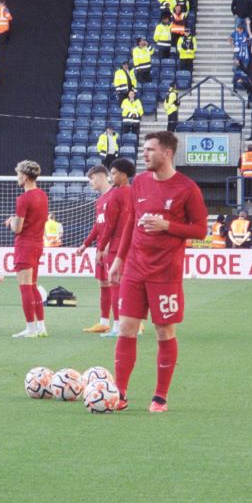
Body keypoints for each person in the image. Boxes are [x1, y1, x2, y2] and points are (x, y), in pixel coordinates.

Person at [108, 131, 207, 412]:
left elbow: (200, 230)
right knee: (125, 328)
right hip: (135, 269)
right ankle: (120, 393)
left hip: (165, 272)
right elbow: (131, 223)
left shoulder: (187, 189)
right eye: (144, 149)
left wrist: (168, 227)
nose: (144, 154)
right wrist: (119, 260)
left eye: (150, 149)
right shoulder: (138, 183)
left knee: (163, 331)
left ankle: (160, 397)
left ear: (167, 153)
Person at [7, 160, 49, 338]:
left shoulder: (23, 199)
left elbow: (18, 228)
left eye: (18, 174)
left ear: (24, 176)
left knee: (25, 288)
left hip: (25, 244)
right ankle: (41, 327)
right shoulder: (42, 195)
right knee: (32, 286)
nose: (17, 178)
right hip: (38, 243)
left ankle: (30, 328)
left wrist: (10, 222)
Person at [98, 158, 136, 338]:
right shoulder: (135, 192)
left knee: (115, 286)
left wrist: (101, 247)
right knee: (129, 287)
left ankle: (117, 327)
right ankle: (133, 325)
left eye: (113, 174)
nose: (111, 177)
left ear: (123, 174)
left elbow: (109, 224)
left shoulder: (115, 194)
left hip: (117, 246)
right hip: (134, 245)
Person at [79, 165, 116, 333]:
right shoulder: (100, 200)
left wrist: (108, 244)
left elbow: (116, 224)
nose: (91, 183)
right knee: (103, 284)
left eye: (92, 178)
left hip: (112, 248)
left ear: (101, 176)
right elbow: (98, 225)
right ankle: (104, 322)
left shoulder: (114, 196)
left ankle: (130, 320)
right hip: (101, 248)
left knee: (117, 284)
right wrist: (86, 244)